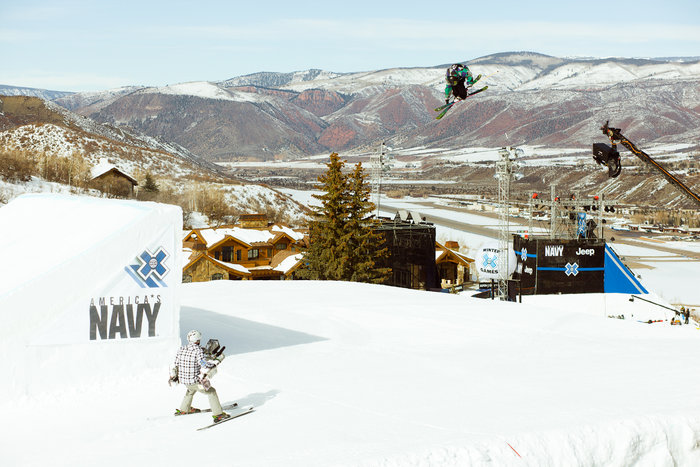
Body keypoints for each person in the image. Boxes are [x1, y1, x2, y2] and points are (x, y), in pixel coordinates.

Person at [170, 330, 230, 422]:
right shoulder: (198, 350)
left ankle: (184, 409)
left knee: (190, 390)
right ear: (198, 340)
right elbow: (203, 364)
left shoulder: (182, 348)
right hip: (195, 382)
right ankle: (218, 415)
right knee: (211, 392)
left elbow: (176, 363)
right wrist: (215, 362)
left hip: (184, 380)